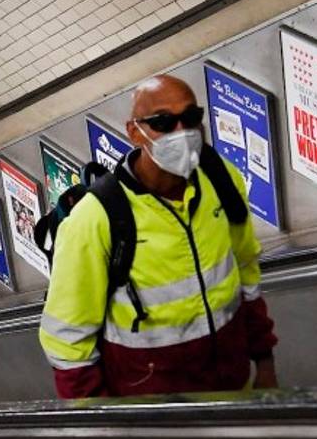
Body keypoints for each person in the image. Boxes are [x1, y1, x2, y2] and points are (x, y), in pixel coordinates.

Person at [38, 75, 277, 398]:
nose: (182, 132)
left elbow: (246, 271)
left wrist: (264, 361)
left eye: (191, 118)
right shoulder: (96, 218)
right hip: (156, 415)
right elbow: (67, 339)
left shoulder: (220, 179)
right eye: (164, 122)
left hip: (234, 387)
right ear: (135, 131)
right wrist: (101, 425)